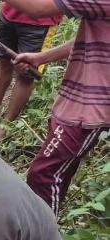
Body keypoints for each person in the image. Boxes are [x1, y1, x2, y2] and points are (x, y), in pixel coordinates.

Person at [8, 0, 109, 215]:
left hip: (91, 105)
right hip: (79, 98)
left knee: (45, 174)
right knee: (56, 172)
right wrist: (43, 57)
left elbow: (38, 9)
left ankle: (41, 239)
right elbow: (94, 34)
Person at [0, 1, 61, 140]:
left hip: (40, 22)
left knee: (26, 75)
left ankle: (7, 124)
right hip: (10, 12)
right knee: (4, 62)